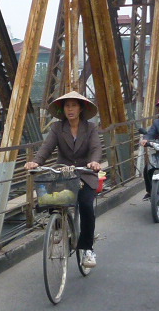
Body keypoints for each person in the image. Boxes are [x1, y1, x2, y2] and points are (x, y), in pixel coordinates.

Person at [25, 90, 102, 268]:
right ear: (63, 109)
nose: (70, 109)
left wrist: (94, 162)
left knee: (86, 205)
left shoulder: (90, 128)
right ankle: (58, 225)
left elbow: (96, 148)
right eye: (67, 106)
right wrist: (36, 162)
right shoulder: (57, 128)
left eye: (74, 105)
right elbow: (46, 147)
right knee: (52, 196)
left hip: (85, 172)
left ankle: (87, 248)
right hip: (64, 172)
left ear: (81, 108)